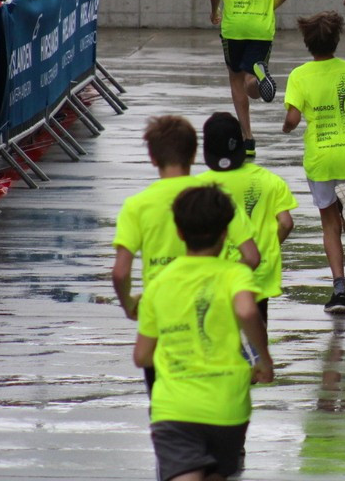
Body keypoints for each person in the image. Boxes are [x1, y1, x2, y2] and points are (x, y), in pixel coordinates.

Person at [133, 185, 274, 481]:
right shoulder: (235, 274)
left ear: (180, 232)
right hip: (228, 406)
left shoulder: (159, 284)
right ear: (225, 234)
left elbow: (142, 356)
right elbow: (248, 311)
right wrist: (263, 360)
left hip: (175, 407)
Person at [111, 116, 258, 391]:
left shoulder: (136, 206)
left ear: (152, 158)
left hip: (162, 315)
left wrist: (130, 306)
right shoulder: (214, 198)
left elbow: (120, 272)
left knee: (166, 405)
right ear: (193, 155)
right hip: (212, 308)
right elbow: (251, 256)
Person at [282, 11, 345, 314]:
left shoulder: (299, 76)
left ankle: (339, 288)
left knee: (330, 226)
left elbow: (292, 118)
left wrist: (288, 126)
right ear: (337, 40)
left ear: (307, 43)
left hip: (322, 159)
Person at [197, 112, 297, 337]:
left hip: (217, 275)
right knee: (256, 333)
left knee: (221, 336)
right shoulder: (270, 181)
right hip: (258, 272)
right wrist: (270, 245)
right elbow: (286, 223)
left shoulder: (200, 187)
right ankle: (256, 366)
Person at [209, 0, 293, 156]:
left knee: (236, 80)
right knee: (249, 80)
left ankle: (248, 139)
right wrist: (270, 7)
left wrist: (214, 12)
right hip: (261, 27)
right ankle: (257, 78)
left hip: (234, 27)